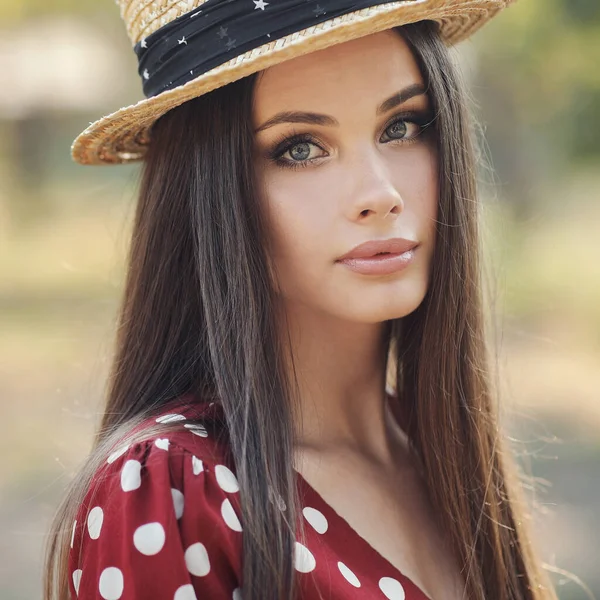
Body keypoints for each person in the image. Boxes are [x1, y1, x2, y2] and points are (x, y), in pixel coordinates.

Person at [43, 1, 559, 599]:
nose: (380, 194)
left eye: (402, 126)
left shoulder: (441, 450)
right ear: (208, 190)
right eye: (299, 148)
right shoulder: (173, 491)